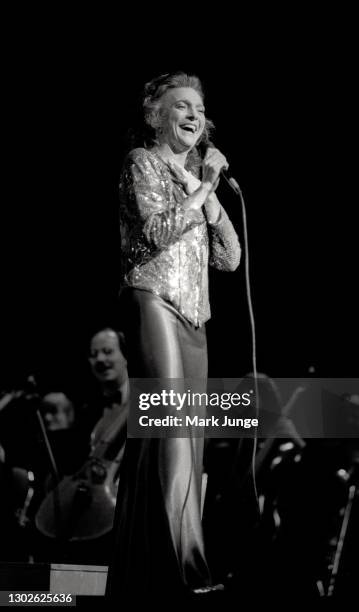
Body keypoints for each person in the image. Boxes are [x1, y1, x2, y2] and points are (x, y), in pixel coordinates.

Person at [106, 71, 241, 601]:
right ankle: (188, 571)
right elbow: (158, 233)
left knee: (185, 443)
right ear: (155, 116)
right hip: (154, 301)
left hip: (195, 316)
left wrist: (207, 192)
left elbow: (230, 258)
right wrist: (202, 185)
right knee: (172, 434)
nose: (192, 115)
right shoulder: (142, 162)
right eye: (179, 106)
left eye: (199, 108)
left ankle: (144, 570)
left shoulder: (194, 179)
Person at [33, 327, 130, 565]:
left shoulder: (148, 404)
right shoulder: (88, 410)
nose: (100, 360)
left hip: (126, 506)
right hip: (90, 499)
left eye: (108, 352)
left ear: (127, 356)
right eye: (94, 354)